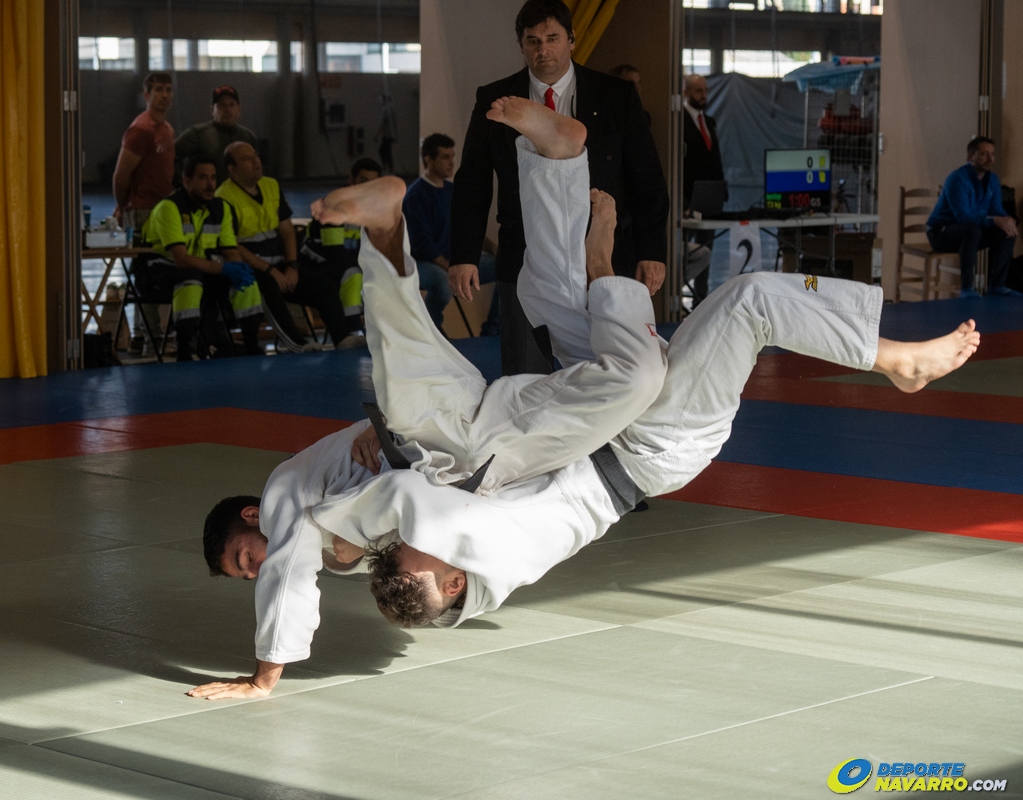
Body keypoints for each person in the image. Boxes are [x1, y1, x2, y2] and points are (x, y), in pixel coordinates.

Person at [185, 98, 979, 700]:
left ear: (252, 519)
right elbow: (393, 500)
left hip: (521, 428)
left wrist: (278, 654)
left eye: (246, 557)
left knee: (536, 294)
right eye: (408, 558)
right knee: (736, 306)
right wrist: (347, 532)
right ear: (452, 583)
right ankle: (891, 359)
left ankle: (538, 175)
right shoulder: (472, 554)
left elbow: (372, 502)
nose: (397, 550)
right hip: (637, 446)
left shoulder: (341, 525)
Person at [450, 0, 669, 375]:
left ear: (571, 39)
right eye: (532, 41)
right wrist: (464, 254)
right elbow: (472, 181)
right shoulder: (495, 98)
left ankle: (559, 140)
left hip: (601, 249)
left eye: (552, 38)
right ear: (520, 45)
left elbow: (645, 177)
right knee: (525, 374)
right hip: (525, 251)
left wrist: (652, 250)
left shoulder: (616, 95)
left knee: (609, 367)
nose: (543, 50)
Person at [216, 141, 364, 353]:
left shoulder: (271, 185)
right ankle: (297, 344)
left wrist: (292, 266)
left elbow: (287, 230)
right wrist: (271, 271)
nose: (255, 162)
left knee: (322, 283)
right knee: (267, 286)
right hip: (255, 269)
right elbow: (233, 246)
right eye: (247, 159)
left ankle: (342, 337)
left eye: (255, 156)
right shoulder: (224, 197)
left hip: (282, 265)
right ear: (231, 169)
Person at [136, 154, 254, 360]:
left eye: (213, 178)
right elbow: (181, 258)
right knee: (190, 278)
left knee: (246, 281)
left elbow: (230, 250)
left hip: (201, 268)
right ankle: (186, 347)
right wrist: (224, 269)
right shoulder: (169, 208)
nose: (210, 184)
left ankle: (251, 343)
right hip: (158, 272)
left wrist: (237, 267)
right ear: (186, 181)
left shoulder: (221, 208)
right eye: (202, 178)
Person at [403, 133, 500, 333]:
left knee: (506, 267)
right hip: (425, 261)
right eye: (445, 157)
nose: (451, 162)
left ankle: (494, 328)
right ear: (429, 160)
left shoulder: (452, 190)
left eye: (452, 156)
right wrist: (449, 266)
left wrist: (494, 248)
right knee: (442, 281)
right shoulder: (416, 195)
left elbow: (467, 228)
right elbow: (421, 241)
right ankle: (431, 332)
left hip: (453, 258)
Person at [113, 72, 176, 355]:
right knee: (147, 272)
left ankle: (140, 334)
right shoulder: (141, 130)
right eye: (159, 90)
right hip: (141, 211)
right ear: (147, 95)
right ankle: (151, 338)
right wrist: (123, 205)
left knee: (149, 272)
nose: (164, 95)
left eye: (168, 90)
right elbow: (120, 175)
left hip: (161, 211)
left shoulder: (167, 130)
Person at [927, 136, 1022, 298]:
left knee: (1008, 230)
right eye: (983, 154)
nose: (989, 159)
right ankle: (967, 288)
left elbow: (997, 209)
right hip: (942, 234)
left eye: (992, 154)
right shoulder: (958, 179)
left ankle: (997, 285)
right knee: (972, 230)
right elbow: (964, 216)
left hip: (972, 233)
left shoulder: (992, 179)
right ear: (970, 156)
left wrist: (1007, 219)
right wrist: (995, 220)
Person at [299, 158, 384, 333]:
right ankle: (352, 331)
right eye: (363, 181)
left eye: (373, 183)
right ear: (351, 180)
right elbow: (334, 252)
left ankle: (381, 332)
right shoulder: (334, 205)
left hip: (344, 260)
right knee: (353, 274)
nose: (367, 187)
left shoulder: (373, 209)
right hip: (315, 262)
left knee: (384, 273)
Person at [682, 73, 725, 305]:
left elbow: (715, 158)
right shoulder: (679, 122)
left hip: (709, 196)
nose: (703, 96)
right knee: (687, 250)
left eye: (705, 91)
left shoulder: (709, 122)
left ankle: (701, 301)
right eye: (698, 91)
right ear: (686, 93)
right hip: (687, 196)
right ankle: (678, 296)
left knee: (707, 248)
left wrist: (721, 189)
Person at [174, 85, 259, 183]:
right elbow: (171, 157)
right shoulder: (198, 134)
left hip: (241, 196)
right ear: (212, 110)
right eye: (221, 105)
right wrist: (185, 186)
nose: (227, 110)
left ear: (239, 109)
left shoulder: (248, 137)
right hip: (208, 196)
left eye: (231, 105)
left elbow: (258, 169)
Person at [376, 92, 398, 175]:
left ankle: (386, 168)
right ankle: (389, 168)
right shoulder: (392, 109)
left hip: (387, 134)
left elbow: (383, 123)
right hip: (390, 134)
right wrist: (396, 135)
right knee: (387, 151)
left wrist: (377, 135)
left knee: (383, 151)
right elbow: (394, 123)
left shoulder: (386, 109)